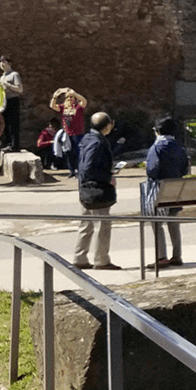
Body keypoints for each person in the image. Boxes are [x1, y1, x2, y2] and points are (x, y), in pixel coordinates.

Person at [142, 116, 191, 266]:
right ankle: (177, 255)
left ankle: (161, 256)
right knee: (174, 222)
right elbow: (184, 168)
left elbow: (152, 170)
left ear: (157, 131)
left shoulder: (156, 147)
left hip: (160, 189)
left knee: (156, 222)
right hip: (176, 187)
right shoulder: (179, 147)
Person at [73, 111, 119, 271]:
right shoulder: (98, 142)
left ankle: (80, 257)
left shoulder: (87, 138)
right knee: (102, 226)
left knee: (86, 224)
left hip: (85, 188)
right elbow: (89, 168)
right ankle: (101, 260)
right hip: (96, 189)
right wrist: (108, 178)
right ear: (107, 125)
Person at [50, 88, 87, 178]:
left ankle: (80, 170)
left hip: (78, 133)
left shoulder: (78, 107)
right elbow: (52, 106)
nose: (70, 99)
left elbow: (84, 101)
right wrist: (55, 97)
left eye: (72, 98)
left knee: (78, 153)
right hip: (67, 134)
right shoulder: (63, 107)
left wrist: (75, 94)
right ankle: (71, 170)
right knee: (68, 153)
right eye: (68, 98)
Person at [0, 57, 25, 153]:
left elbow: (19, 89)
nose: (2, 64)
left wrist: (6, 84)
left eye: (4, 62)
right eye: (1, 63)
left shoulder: (14, 75)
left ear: (9, 63)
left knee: (13, 124)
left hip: (13, 100)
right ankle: (7, 143)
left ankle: (14, 145)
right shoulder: (2, 77)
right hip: (4, 102)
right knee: (5, 123)